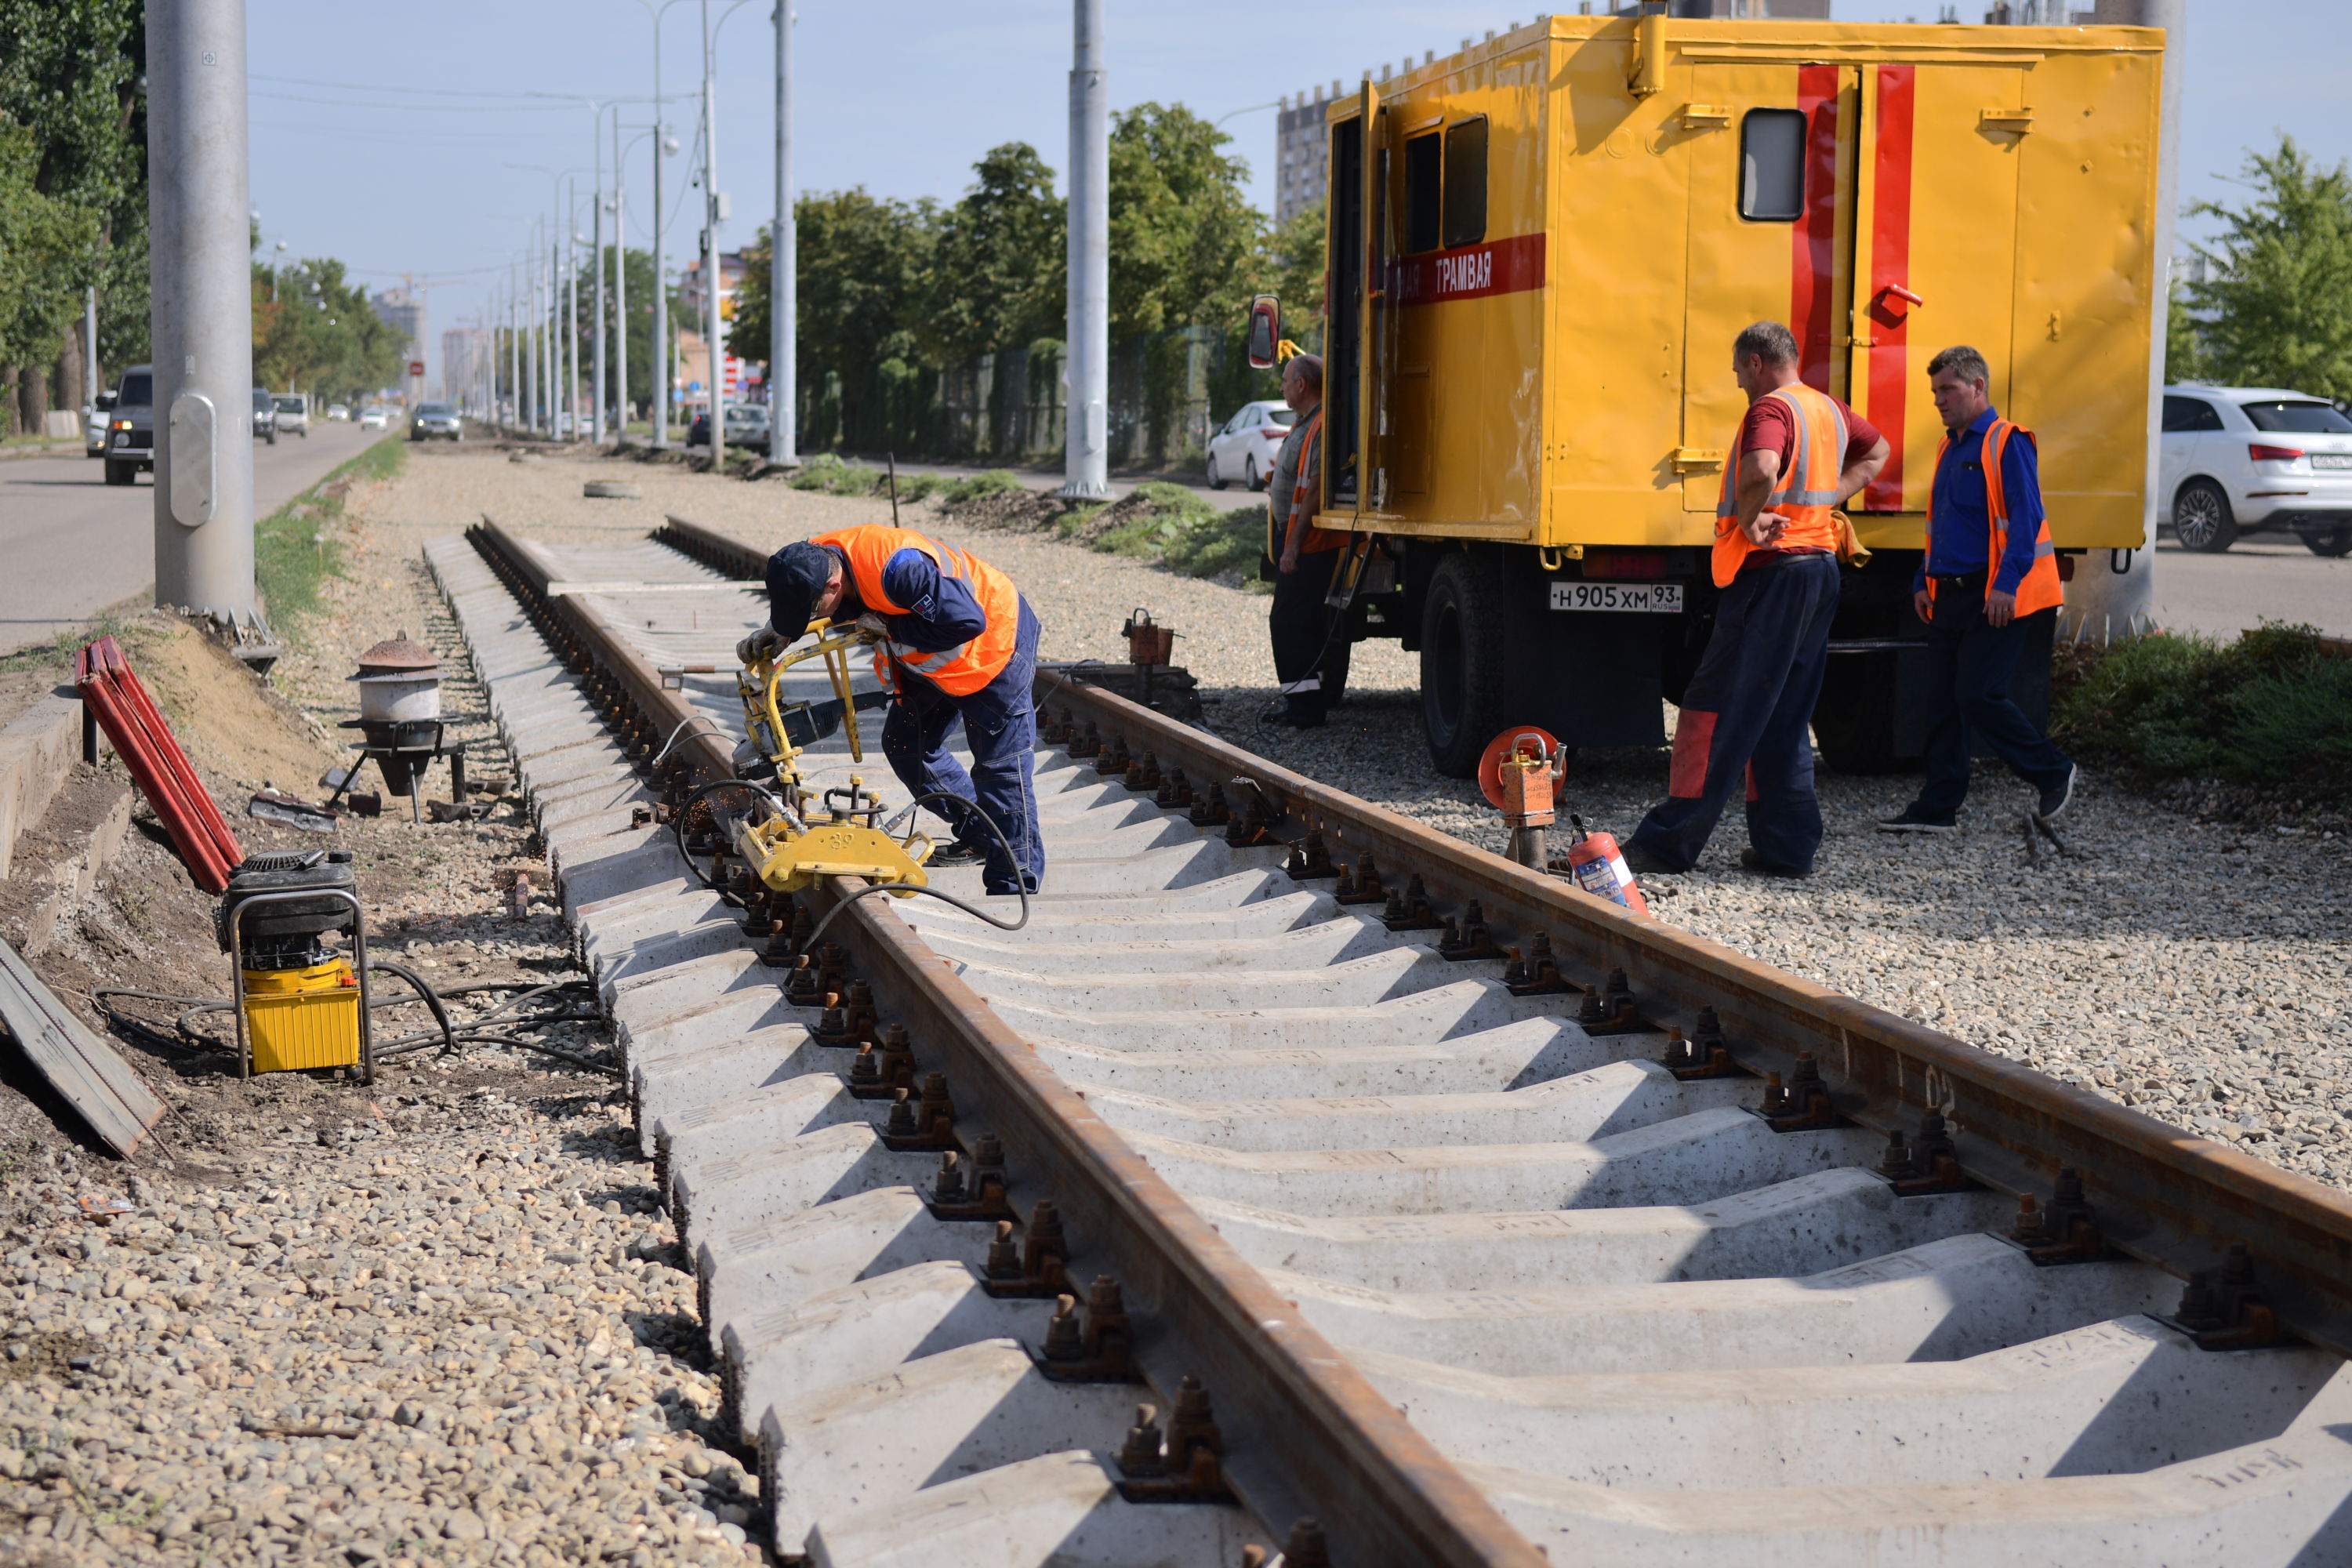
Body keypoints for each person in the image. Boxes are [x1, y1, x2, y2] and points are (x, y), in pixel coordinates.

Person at [1622, 321, 1889, 879]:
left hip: (1772, 576)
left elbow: (1763, 468)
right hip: (1818, 570)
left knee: (1713, 709)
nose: (1737, 379)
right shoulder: (1828, 409)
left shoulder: (1770, 411)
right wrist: (1832, 496)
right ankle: (1786, 848)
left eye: (1739, 368)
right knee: (1785, 716)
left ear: (1758, 363)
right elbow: (1878, 450)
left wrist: (1749, 517)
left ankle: (1667, 844)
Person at [738, 526, 1044, 895]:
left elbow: (967, 621)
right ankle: (981, 834)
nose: (809, 616)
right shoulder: (816, 558)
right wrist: (783, 630)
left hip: (994, 647)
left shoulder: (900, 572)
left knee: (1000, 770)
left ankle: (1014, 882)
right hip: (933, 658)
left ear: (833, 587)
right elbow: (818, 597)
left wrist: (890, 626)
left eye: (810, 610)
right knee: (905, 745)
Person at [1878, 346, 2074, 832]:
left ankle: (2054, 771)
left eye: (1948, 389)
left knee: (1977, 695)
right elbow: (1941, 524)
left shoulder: (2007, 442)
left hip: (1993, 596)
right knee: (1941, 701)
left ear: (1978, 386)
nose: (1939, 400)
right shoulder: (1950, 445)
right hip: (1948, 593)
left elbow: (2026, 521)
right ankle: (1937, 808)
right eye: (1935, 391)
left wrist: (2006, 586)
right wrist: (1923, 579)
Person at [1262, 354, 1345, 728]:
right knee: (1302, 621)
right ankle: (1306, 705)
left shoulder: (1321, 425)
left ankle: (1305, 708)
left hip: (1307, 541)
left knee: (1288, 622)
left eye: (1285, 380)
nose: (1281, 386)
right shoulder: (1305, 422)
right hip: (1295, 535)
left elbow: (1313, 491)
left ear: (1301, 385)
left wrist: (1292, 545)